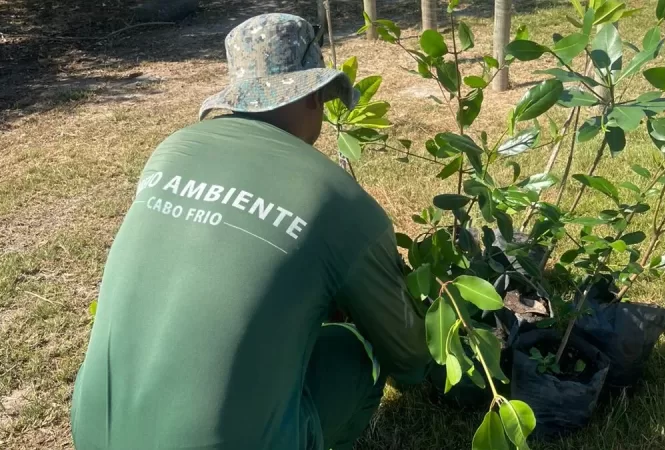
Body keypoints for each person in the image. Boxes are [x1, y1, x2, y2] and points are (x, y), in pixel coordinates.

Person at [70, 12, 431, 450]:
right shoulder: (340, 200)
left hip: (91, 433)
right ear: (313, 95)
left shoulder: (171, 151)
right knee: (355, 356)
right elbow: (410, 361)